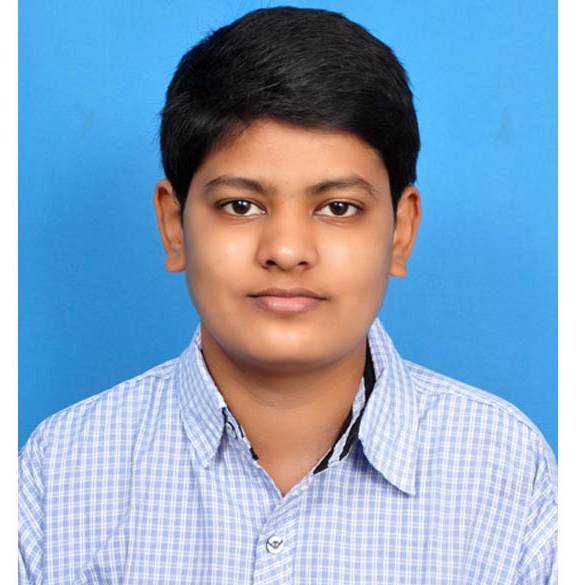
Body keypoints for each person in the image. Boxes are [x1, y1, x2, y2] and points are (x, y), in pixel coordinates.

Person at [19, 6, 557, 584]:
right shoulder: (61, 471)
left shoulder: (506, 470)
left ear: (401, 232)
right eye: (241, 205)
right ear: (174, 225)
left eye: (338, 208)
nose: (286, 250)